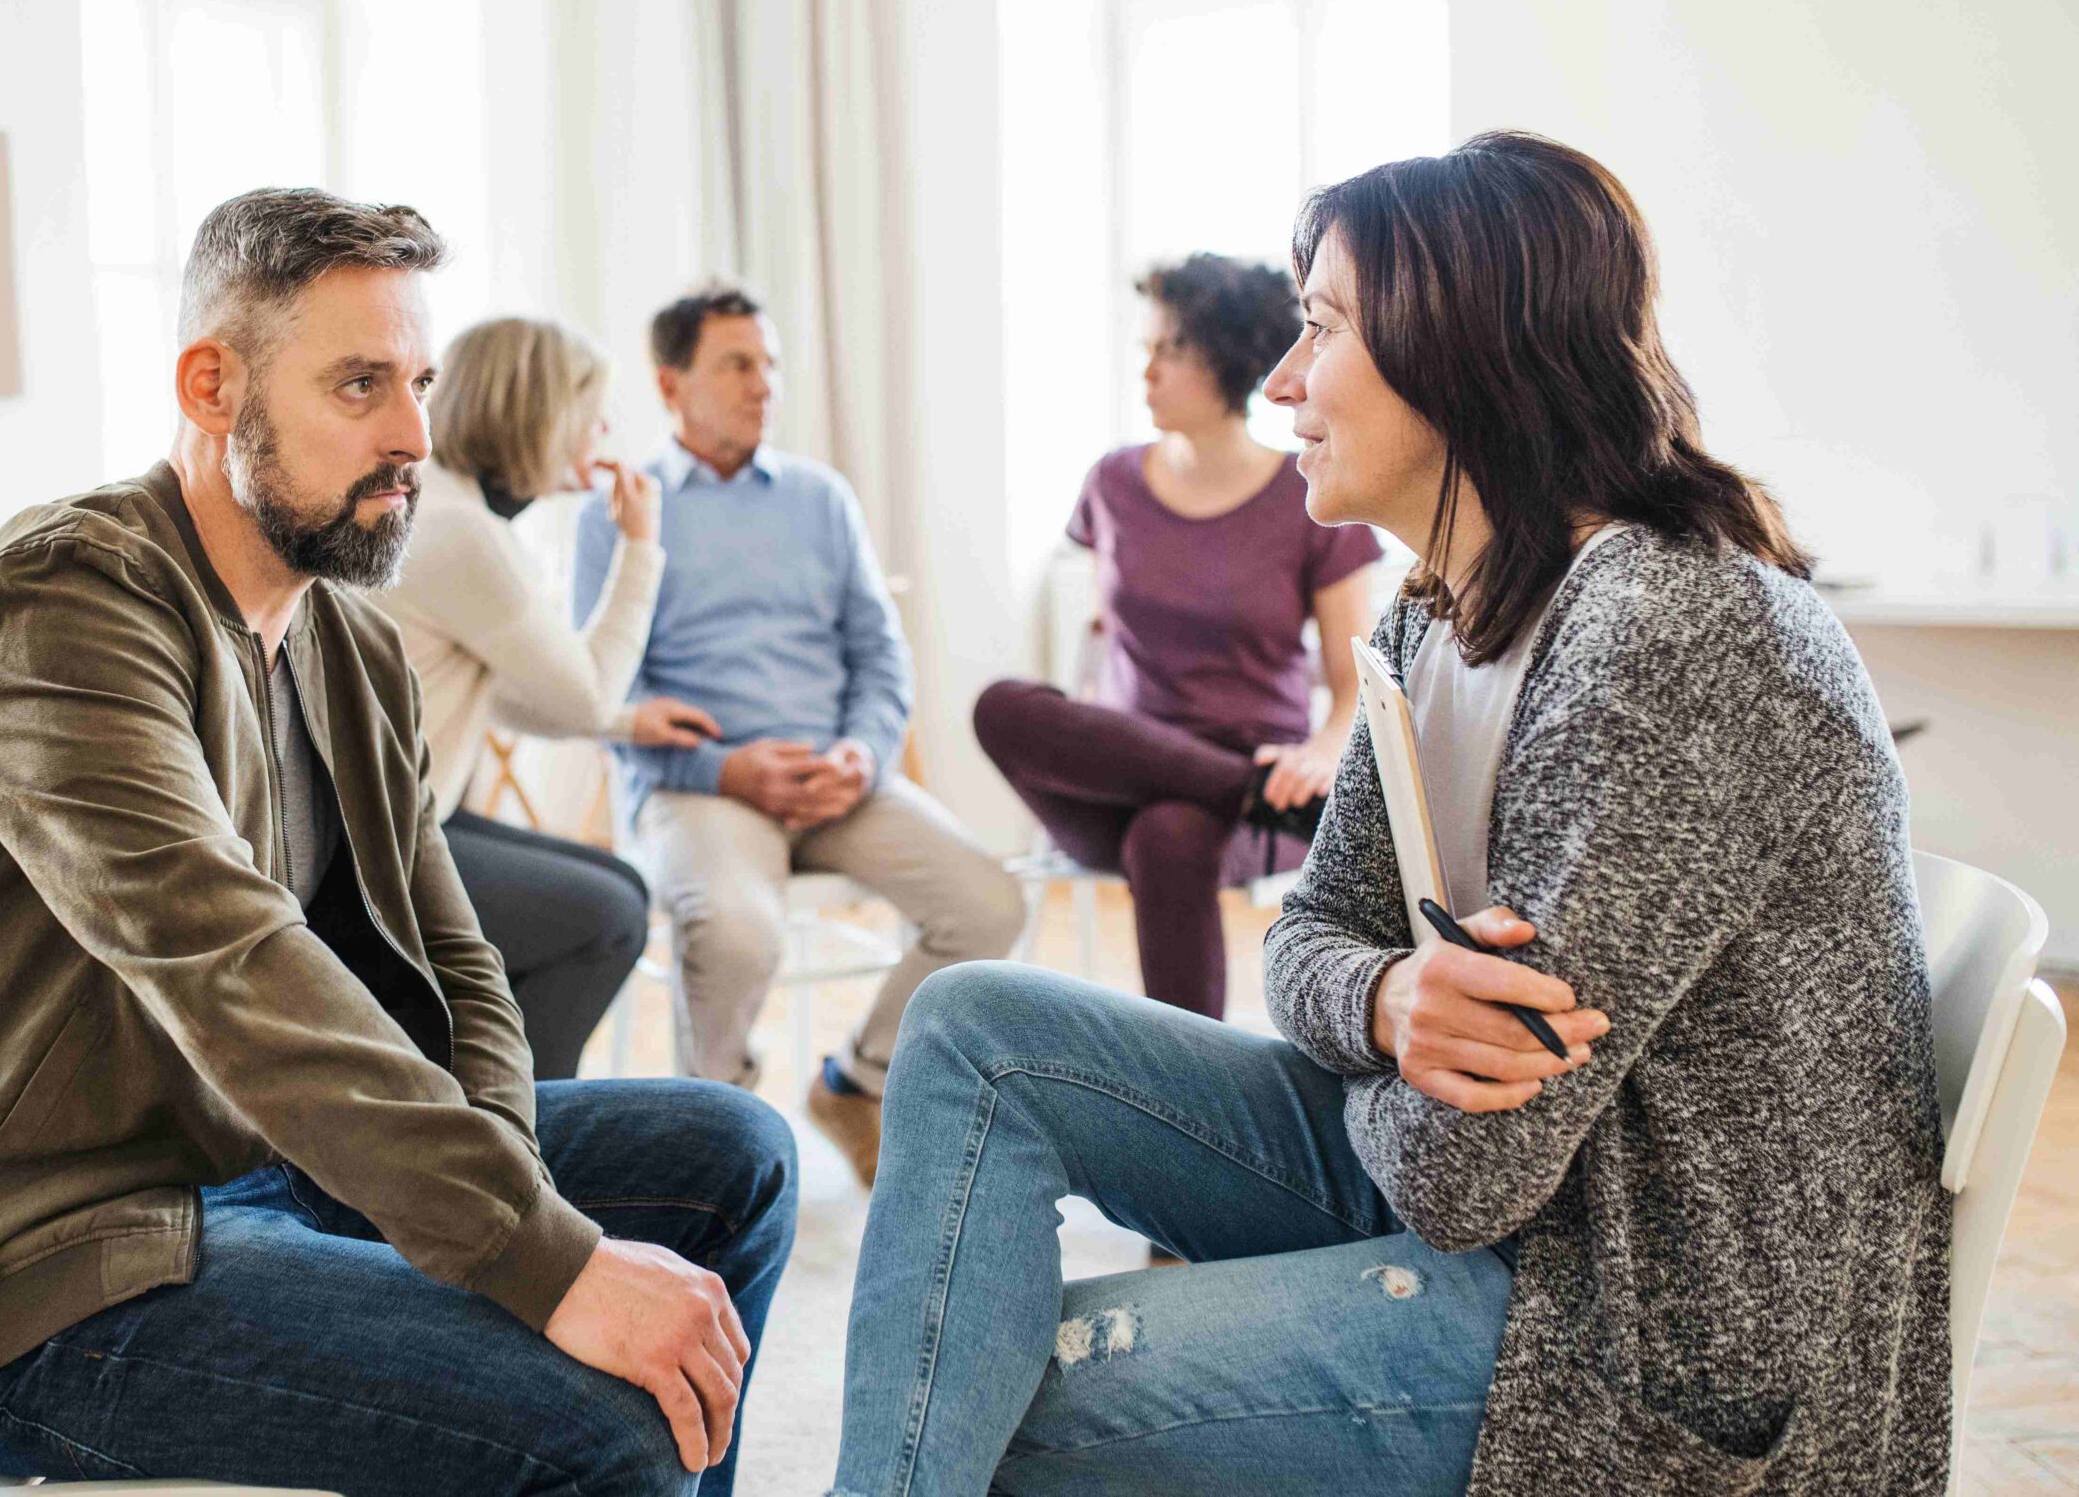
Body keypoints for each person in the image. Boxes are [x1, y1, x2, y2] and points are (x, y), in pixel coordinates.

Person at [830, 134, 1948, 1496]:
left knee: (998, 1383)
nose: (1281, 381)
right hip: (1527, 1223)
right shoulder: (1443, 612)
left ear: (1462, 350)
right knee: (972, 1026)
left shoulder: (1666, 635)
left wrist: (1375, 1021)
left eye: (1322, 327)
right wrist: (1383, 1001)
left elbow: (1466, 1176)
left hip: (1632, 1346)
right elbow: (1308, 937)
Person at [0, 190, 795, 1497]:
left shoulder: (343, 638)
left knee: (735, 1154)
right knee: (600, 1427)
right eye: (358, 385)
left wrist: (515, 1202)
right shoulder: (56, 610)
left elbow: (455, 960)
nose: (413, 437)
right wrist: (542, 1261)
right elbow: (234, 966)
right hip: (34, 1266)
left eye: (418, 384)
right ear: (212, 388)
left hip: (257, 1168)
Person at [576, 284, 1026, 1187]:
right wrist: (725, 768)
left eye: (771, 364)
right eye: (737, 364)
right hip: (705, 786)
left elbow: (880, 654)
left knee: (991, 903)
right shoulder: (618, 512)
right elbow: (602, 691)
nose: (764, 385)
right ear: (670, 385)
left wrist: (862, 751)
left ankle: (856, 1081)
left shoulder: (820, 498)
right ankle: (713, 1140)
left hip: (836, 778)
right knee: (739, 933)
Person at [974, 253, 1380, 1019]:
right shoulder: (1112, 482)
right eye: (1147, 348)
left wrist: (1323, 754)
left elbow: (1352, 681)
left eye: (1171, 349)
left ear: (1227, 360)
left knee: (1170, 833)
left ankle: (1183, 1076)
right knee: (1001, 703)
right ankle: (1239, 789)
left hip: (1258, 781)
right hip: (1124, 767)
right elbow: (1100, 637)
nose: (1148, 370)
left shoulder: (1310, 495)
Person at [373, 315, 723, 1078]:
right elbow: (583, 698)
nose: (605, 432)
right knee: (608, 916)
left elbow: (491, 688)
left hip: (407, 815)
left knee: (622, 885)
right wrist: (641, 546)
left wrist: (628, 721)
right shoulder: (464, 532)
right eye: (592, 413)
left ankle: (490, 1089)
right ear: (541, 415)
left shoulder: (438, 506)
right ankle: (529, 1121)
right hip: (379, 846)